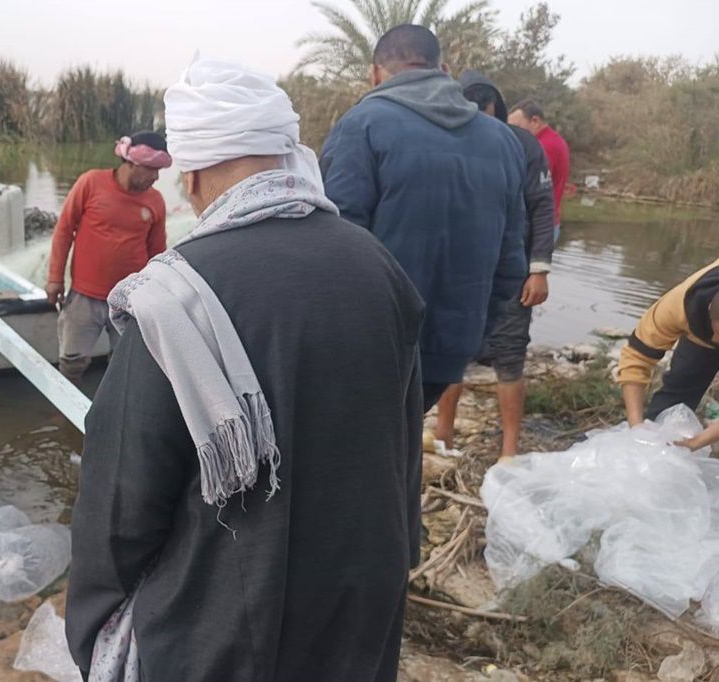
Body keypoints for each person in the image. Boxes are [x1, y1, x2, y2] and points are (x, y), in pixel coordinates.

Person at [66, 57, 426, 682]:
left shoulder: (174, 297)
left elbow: (121, 501)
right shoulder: (378, 267)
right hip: (358, 607)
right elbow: (403, 451)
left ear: (192, 173)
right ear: (284, 153)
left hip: (223, 630)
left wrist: (93, 623)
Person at [320, 25, 528, 410]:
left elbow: (335, 245)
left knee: (368, 442)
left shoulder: (361, 126)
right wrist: (472, 335)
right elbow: (513, 262)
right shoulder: (503, 141)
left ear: (375, 73)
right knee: (405, 434)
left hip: (371, 344)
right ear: (444, 70)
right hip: (454, 346)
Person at [433, 71, 557, 460]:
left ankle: (509, 451)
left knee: (509, 356)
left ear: (497, 111)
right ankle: (442, 437)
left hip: (511, 272)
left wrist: (539, 269)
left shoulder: (523, 144)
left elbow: (542, 207)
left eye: (485, 114)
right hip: (459, 273)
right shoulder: (446, 140)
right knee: (451, 353)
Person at [45, 131, 170, 382]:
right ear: (131, 163)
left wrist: (158, 296)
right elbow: (64, 231)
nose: (156, 177)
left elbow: (157, 253)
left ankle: (115, 403)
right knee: (71, 360)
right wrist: (55, 278)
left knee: (124, 366)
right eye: (151, 169)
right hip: (85, 295)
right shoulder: (90, 183)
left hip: (130, 298)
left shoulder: (155, 201)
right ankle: (65, 402)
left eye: (159, 171)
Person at [619, 258, 719, 426]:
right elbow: (637, 356)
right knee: (676, 400)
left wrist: (701, 439)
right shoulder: (676, 307)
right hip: (700, 335)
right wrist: (636, 426)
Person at [509, 98, 570, 240]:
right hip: (547, 222)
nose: (512, 133)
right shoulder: (554, 140)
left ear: (535, 121)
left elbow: (527, 188)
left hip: (538, 227)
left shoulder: (542, 147)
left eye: (516, 127)